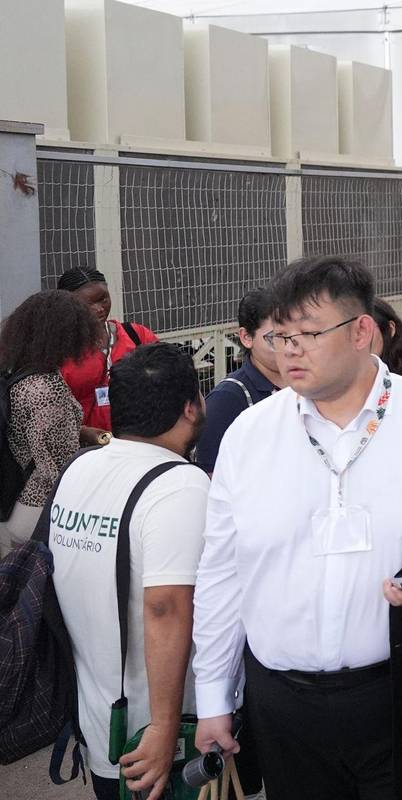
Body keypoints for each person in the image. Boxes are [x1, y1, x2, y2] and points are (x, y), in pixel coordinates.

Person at [193, 256, 402, 800]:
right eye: (278, 335)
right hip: (283, 707)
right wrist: (214, 699)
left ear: (363, 331)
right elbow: (222, 575)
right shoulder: (250, 433)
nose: (289, 350)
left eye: (308, 334)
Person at [49, 342, 210, 800]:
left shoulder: (79, 469)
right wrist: (163, 728)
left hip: (100, 726)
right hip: (157, 741)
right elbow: (165, 609)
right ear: (190, 408)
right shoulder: (179, 485)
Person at [0, 290, 99, 553]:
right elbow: (57, 465)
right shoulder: (47, 388)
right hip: (40, 509)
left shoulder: (19, 375)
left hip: (15, 505)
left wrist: (80, 432)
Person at [58, 267, 159, 440]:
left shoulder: (136, 335)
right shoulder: (59, 350)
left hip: (138, 442)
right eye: (88, 304)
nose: (99, 309)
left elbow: (169, 379)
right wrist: (83, 433)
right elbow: (50, 412)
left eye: (103, 299)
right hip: (85, 450)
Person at [193, 288, 282, 473]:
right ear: (246, 337)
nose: (288, 346)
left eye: (295, 335)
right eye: (275, 338)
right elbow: (212, 476)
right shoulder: (227, 399)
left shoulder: (309, 385)